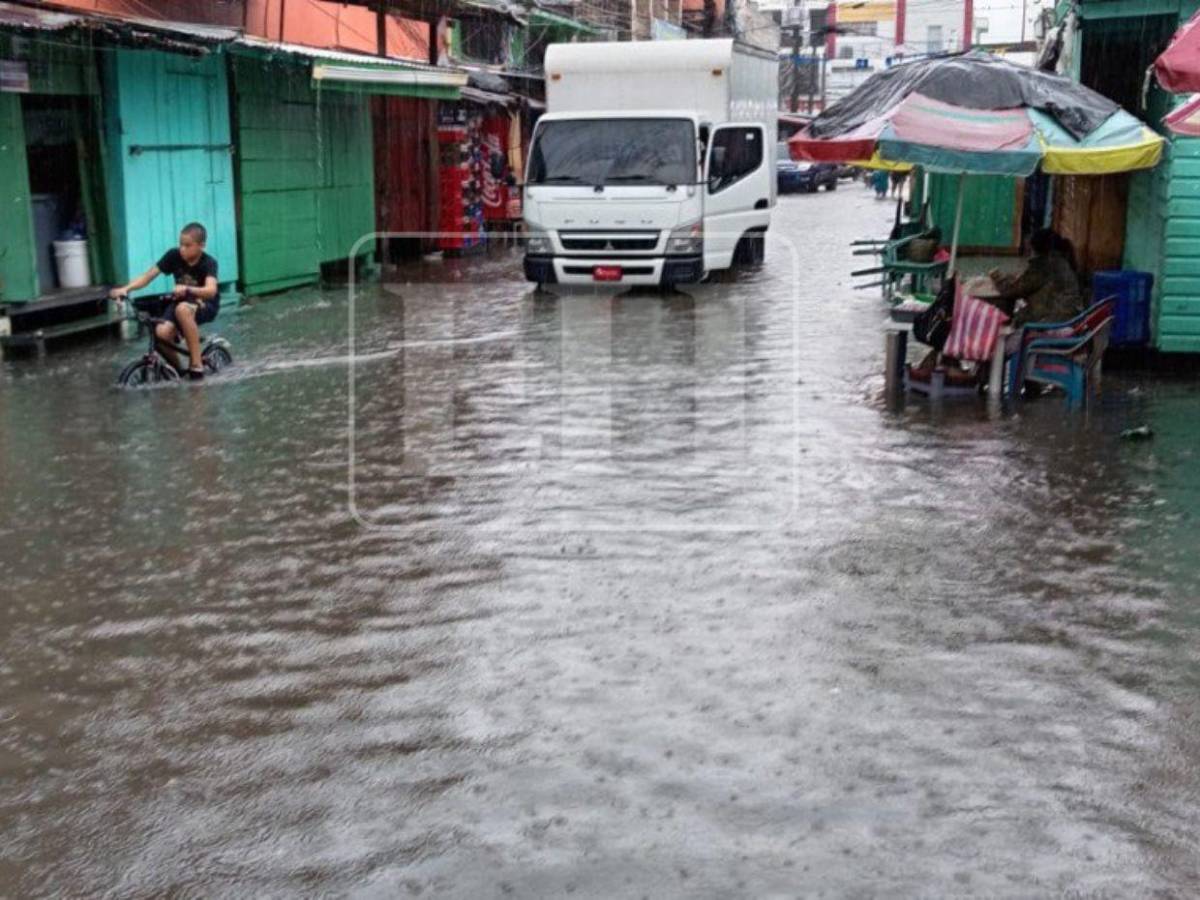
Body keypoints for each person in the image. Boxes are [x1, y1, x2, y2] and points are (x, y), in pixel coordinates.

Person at [111, 222, 220, 381]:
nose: (182, 249)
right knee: (160, 333)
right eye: (181, 244)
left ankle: (196, 364)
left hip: (205, 304)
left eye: (188, 245)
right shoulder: (173, 256)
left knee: (182, 309)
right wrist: (126, 289)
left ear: (201, 245)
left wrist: (188, 289)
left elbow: (211, 291)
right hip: (181, 302)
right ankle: (179, 371)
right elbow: (148, 276)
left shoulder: (208, 262)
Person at [986, 228, 1082, 326]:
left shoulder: (1042, 266)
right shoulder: (1061, 262)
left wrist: (996, 277)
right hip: (1071, 319)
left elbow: (1010, 291)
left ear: (1034, 249)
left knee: (1014, 317)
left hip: (1051, 322)